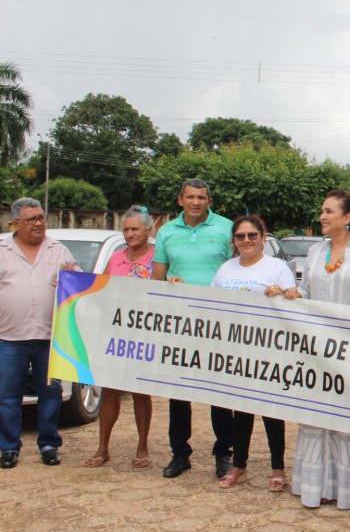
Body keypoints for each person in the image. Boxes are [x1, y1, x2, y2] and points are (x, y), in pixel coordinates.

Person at [284, 189, 350, 509]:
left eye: (329, 211)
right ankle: (317, 487)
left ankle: (347, 489)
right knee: (315, 416)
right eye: (322, 211)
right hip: (315, 351)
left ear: (348, 218)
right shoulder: (315, 252)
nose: (322, 216)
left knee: (347, 419)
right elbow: (305, 291)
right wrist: (286, 295)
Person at [152, 178, 235, 480]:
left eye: (202, 197)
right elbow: (158, 279)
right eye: (190, 197)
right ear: (180, 200)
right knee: (178, 390)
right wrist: (168, 288)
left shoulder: (226, 228)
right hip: (179, 323)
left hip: (219, 323)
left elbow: (237, 272)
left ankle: (224, 452)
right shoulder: (165, 232)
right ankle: (179, 453)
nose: (196, 202)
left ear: (209, 202)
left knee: (220, 391)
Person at [211, 214, 294, 491]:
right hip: (235, 350)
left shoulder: (277, 267)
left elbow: (292, 300)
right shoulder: (226, 269)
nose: (246, 241)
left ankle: (278, 469)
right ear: (234, 240)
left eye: (252, 235)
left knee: (271, 411)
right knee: (241, 411)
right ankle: (239, 466)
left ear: (263, 236)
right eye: (240, 236)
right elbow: (210, 303)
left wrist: (283, 292)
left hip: (268, 348)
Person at [0, 198, 79, 469]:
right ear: (15, 223)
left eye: (41, 217)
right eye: (32, 219)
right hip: (9, 336)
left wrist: (71, 277)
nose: (38, 223)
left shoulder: (57, 249)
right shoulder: (2, 249)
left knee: (51, 394)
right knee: (8, 395)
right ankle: (9, 447)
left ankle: (48, 444)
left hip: (49, 336)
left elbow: (79, 282)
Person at [84, 205, 156, 469]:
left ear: (149, 231)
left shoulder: (157, 259)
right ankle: (103, 448)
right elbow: (98, 287)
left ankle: (142, 447)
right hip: (114, 334)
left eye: (134, 229)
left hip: (144, 335)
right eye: (125, 229)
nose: (129, 234)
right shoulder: (115, 257)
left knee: (140, 392)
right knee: (110, 391)